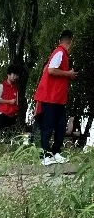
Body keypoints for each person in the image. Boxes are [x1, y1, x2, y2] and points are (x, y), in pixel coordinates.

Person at [33, 30, 77, 165]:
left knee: (60, 126)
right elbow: (51, 70)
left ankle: (56, 152)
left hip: (58, 98)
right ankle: (45, 156)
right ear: (70, 41)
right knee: (48, 127)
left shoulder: (63, 54)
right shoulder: (59, 52)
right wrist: (68, 74)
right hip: (50, 97)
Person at [0, 64, 19, 130]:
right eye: (13, 75)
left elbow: (16, 103)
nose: (15, 77)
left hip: (12, 117)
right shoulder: (2, 86)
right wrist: (9, 101)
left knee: (11, 138)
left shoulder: (16, 88)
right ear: (8, 74)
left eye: (16, 75)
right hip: (2, 115)